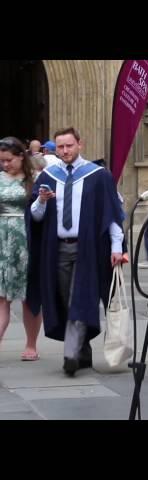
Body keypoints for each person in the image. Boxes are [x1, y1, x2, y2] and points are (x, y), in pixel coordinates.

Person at [26, 127, 124, 376]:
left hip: (88, 248)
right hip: (57, 248)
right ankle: (83, 349)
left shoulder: (98, 176)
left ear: (80, 144)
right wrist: (41, 201)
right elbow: (35, 216)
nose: (65, 151)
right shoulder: (48, 175)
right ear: (55, 149)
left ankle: (70, 354)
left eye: (69, 145)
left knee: (79, 297)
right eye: (60, 147)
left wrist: (116, 247)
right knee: (63, 299)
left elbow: (111, 214)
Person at [0, 137, 43, 361]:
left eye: (9, 160)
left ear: (20, 156)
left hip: (26, 238)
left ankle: (31, 344)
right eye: (2, 161)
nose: (5, 165)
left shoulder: (34, 179)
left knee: (29, 296)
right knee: (1, 296)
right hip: (1, 239)